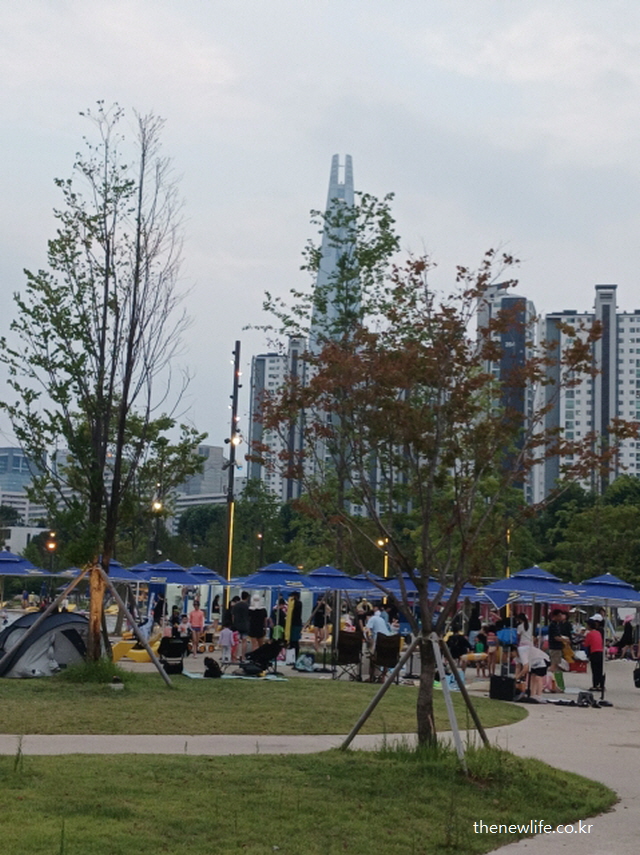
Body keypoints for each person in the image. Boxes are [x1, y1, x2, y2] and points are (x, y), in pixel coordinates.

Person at [584, 614, 605, 691]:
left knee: (594, 670)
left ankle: (595, 685)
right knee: (600, 669)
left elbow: (586, 644)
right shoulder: (598, 632)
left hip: (594, 652)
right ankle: (601, 685)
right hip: (600, 652)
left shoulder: (589, 634)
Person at [548, 608, 572, 674]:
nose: (560, 617)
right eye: (559, 616)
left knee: (556, 665)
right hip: (554, 647)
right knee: (554, 665)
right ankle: (547, 675)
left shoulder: (557, 624)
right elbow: (556, 637)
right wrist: (565, 640)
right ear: (555, 616)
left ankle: (552, 677)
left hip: (558, 647)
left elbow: (558, 635)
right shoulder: (553, 625)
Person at [232, 591, 251, 661]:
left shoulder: (236, 605)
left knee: (237, 641)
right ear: (247, 597)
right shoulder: (247, 606)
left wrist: (234, 623)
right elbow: (249, 616)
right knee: (244, 641)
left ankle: (235, 656)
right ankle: (243, 657)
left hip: (237, 625)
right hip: (245, 625)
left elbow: (233, 616)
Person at [515, 613, 533, 680]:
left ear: (520, 619)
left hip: (522, 646)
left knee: (519, 663)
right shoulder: (531, 625)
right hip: (530, 645)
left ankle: (517, 677)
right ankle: (526, 678)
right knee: (528, 663)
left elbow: (518, 637)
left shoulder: (520, 627)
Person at [287, 591, 303, 661]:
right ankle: (292, 657)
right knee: (292, 641)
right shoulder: (294, 603)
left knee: (294, 641)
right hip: (293, 624)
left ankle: (295, 656)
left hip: (296, 624)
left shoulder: (298, 603)